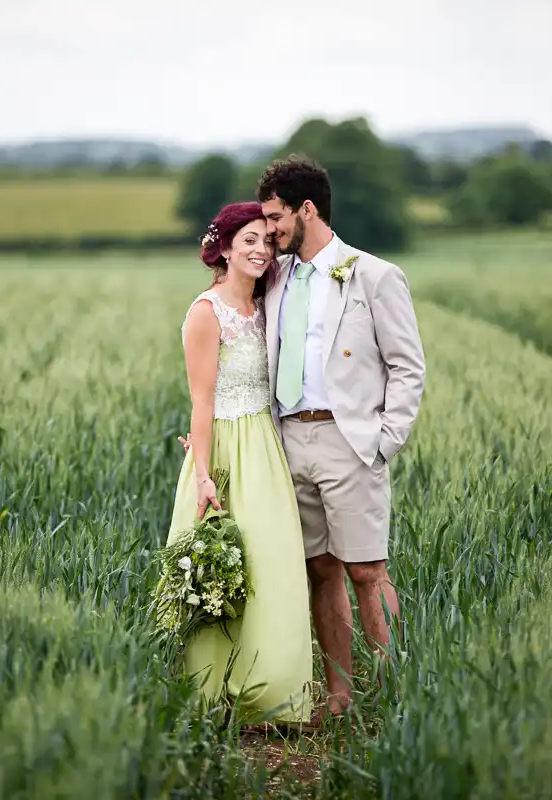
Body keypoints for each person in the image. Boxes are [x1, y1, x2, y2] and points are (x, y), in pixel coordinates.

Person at [257, 155, 426, 725]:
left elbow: (408, 367)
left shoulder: (373, 275)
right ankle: (339, 696)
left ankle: (391, 696)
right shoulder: (274, 277)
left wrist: (384, 441)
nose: (270, 231)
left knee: (366, 571)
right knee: (320, 570)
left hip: (350, 441)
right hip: (289, 441)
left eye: (277, 218)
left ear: (307, 210)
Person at [165, 201, 314, 727]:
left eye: (266, 241)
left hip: (265, 449)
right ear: (224, 248)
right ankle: (208, 693)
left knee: (271, 568)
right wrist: (203, 474)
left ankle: (266, 695)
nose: (259, 249)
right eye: (247, 239)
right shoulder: (206, 313)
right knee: (220, 567)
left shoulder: (269, 305)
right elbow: (200, 401)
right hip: (225, 452)